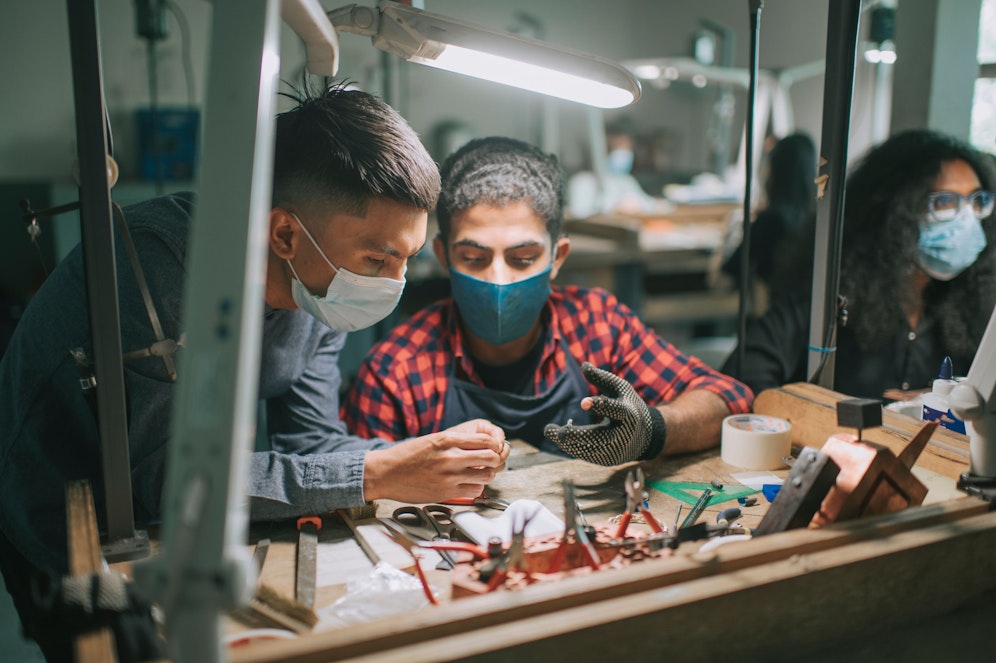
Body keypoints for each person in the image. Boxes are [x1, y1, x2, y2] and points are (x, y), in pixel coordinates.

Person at [0, 84, 508, 661]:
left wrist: (429, 460)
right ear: (285, 234)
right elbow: (165, 481)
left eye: (406, 258)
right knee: (123, 648)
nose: (393, 283)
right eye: (377, 259)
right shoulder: (154, 266)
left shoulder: (324, 289)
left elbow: (310, 440)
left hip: (172, 511)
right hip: (64, 514)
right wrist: (377, 472)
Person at [344, 137, 753, 466]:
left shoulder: (599, 326)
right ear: (444, 256)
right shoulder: (396, 371)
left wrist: (653, 429)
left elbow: (728, 397)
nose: (499, 279)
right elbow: (358, 489)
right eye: (474, 258)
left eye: (523, 258)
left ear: (557, 257)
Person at [723, 129, 996, 401]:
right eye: (944, 202)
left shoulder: (973, 307)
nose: (967, 219)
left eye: (977, 201)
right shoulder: (827, 298)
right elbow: (742, 378)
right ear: (894, 210)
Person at [719, 132, 818, 303]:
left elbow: (723, 278)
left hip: (772, 312)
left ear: (776, 172)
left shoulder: (770, 221)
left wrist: (727, 235)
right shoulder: (817, 220)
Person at [566, 118, 674, 219]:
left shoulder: (626, 180)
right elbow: (578, 215)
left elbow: (648, 204)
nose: (624, 154)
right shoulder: (582, 182)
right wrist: (615, 208)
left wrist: (661, 205)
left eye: (628, 148)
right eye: (618, 147)